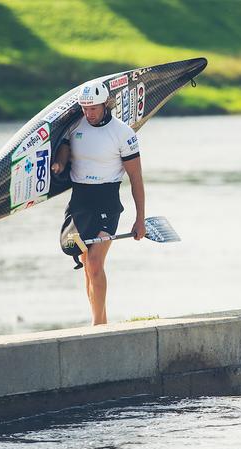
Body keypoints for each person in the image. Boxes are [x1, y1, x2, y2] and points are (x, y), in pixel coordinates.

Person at [51, 81, 146, 325]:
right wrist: (59, 164)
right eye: (84, 108)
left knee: (94, 261)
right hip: (79, 200)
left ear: (106, 104)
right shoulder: (76, 125)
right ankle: (100, 319)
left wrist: (140, 219)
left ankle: (98, 325)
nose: (88, 113)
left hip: (107, 203)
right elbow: (64, 147)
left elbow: (136, 178)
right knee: (84, 261)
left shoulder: (123, 133)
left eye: (93, 108)